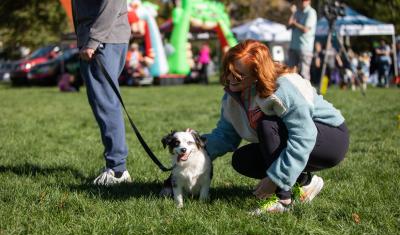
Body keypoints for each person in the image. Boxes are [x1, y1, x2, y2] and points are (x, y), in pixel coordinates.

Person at [161, 40, 349, 214]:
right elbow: (226, 136)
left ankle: (282, 200)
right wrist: (191, 148)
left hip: (329, 138)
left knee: (268, 126)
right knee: (243, 159)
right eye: (228, 71)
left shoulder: (283, 88)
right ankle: (305, 182)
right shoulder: (233, 96)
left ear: (257, 74)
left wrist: (277, 178)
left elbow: (304, 136)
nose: (231, 78)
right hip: (300, 140)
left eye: (239, 75)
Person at [72, 0, 132, 185]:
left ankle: (117, 170)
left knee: (105, 103)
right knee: (104, 102)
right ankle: (116, 164)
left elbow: (112, 3)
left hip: (103, 40)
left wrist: (92, 40)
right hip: (104, 38)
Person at [287, 0, 317, 81]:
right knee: (290, 73)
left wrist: (295, 24)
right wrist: (293, 13)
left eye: (304, 1)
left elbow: (306, 29)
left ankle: (306, 93)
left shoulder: (311, 12)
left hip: (305, 48)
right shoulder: (297, 12)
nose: (302, 2)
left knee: (304, 74)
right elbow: (288, 26)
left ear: (309, 1)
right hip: (293, 47)